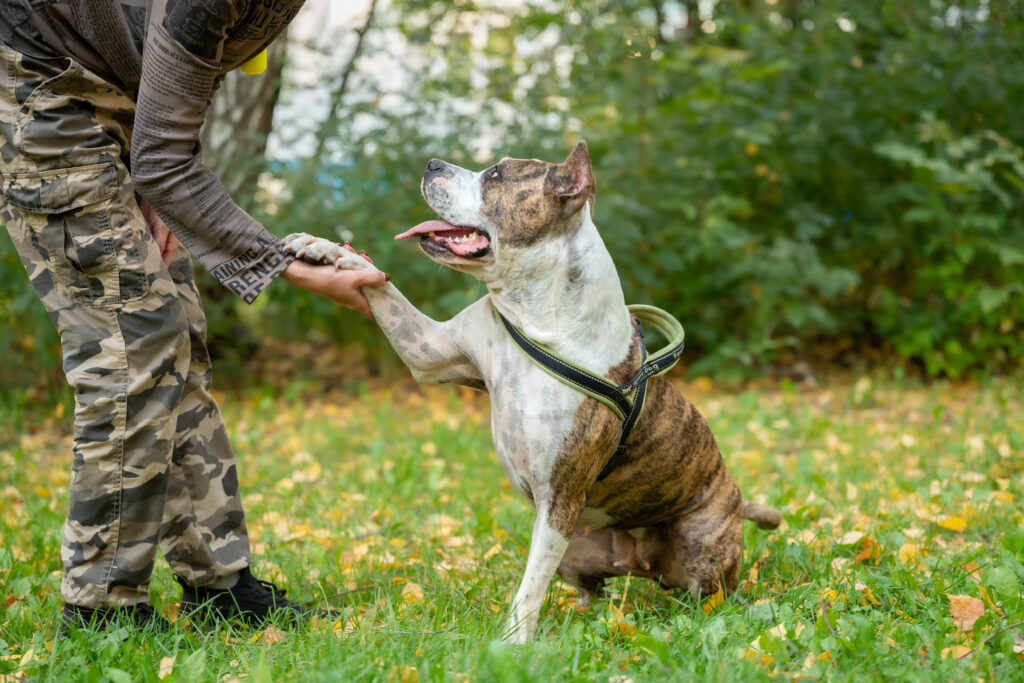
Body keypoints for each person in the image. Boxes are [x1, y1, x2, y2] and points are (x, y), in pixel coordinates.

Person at [0, 0, 387, 633]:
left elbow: (178, 95)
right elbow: (166, 150)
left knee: (176, 330)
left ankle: (221, 587)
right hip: (40, 80)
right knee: (134, 339)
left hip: (115, 93)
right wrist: (287, 265)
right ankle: (100, 608)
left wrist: (157, 176)